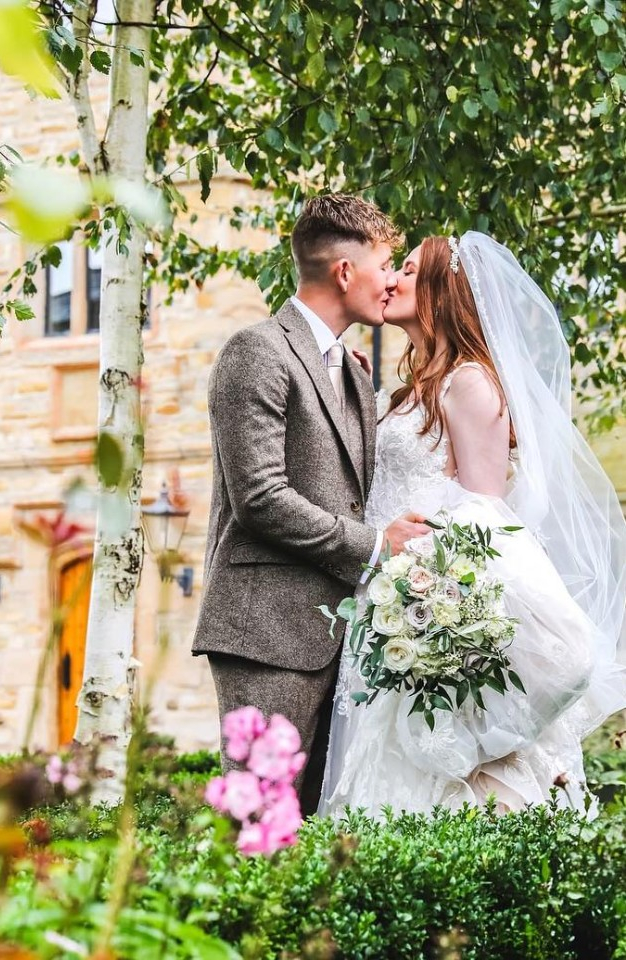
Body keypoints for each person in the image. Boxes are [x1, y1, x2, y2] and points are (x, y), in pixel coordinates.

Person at [319, 232, 626, 817]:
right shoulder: (408, 393)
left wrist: (438, 608)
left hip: (424, 608)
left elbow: (486, 519)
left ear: (441, 291)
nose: (393, 279)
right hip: (386, 610)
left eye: (409, 270)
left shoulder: (471, 383)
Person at [192, 195, 431, 816]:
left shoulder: (351, 372)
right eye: (386, 265)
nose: (392, 280)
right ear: (346, 272)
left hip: (342, 635)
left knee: (315, 827)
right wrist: (376, 546)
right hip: (267, 631)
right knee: (257, 819)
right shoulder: (256, 352)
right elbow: (260, 497)